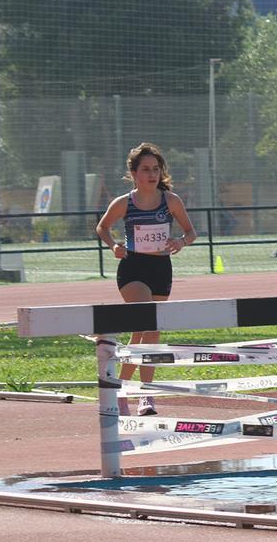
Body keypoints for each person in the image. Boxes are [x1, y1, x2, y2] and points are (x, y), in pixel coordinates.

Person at [94, 143, 197, 416]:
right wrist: (114, 246)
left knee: (149, 334)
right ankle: (128, 392)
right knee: (146, 322)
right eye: (146, 169)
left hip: (160, 268)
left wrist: (181, 242)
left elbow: (191, 232)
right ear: (134, 173)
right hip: (133, 269)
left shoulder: (171, 200)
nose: (152, 174)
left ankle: (140, 394)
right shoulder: (124, 202)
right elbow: (102, 227)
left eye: (156, 169)